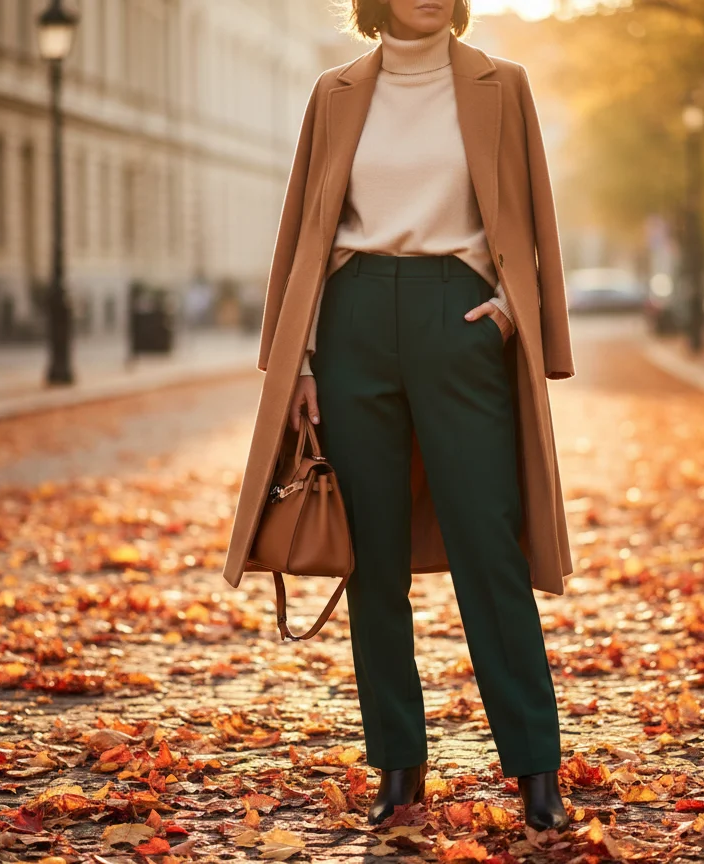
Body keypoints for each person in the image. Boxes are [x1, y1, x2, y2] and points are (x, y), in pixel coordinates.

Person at [221, 0, 576, 832]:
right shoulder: (335, 90)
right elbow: (308, 233)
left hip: (457, 319)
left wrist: (510, 311)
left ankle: (535, 769)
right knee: (372, 557)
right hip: (350, 327)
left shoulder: (502, 85)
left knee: (490, 546)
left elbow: (530, 218)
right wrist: (303, 356)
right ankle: (399, 768)